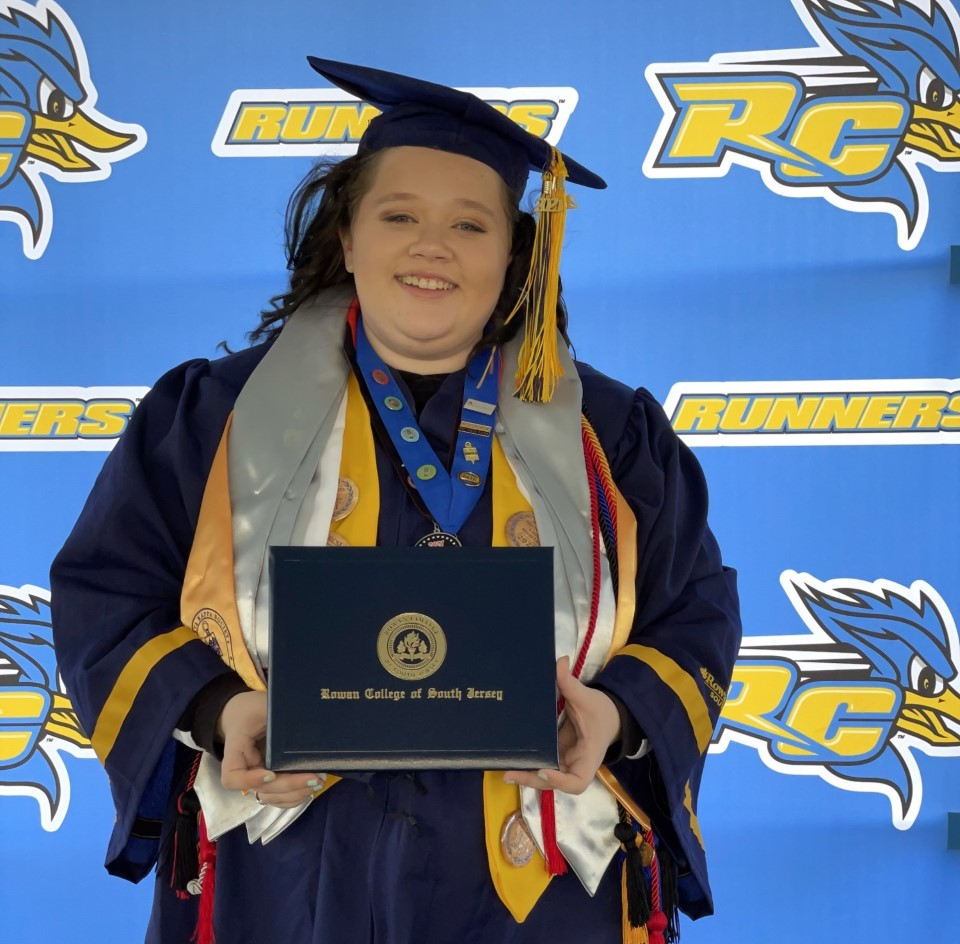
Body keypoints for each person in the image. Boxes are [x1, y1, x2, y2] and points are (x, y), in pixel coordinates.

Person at [50, 57, 741, 944]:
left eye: (470, 224)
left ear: (514, 255)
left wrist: (616, 715)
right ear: (348, 238)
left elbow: (696, 613)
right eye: (398, 215)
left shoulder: (612, 436)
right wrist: (221, 709)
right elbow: (109, 593)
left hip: (541, 886)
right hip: (287, 874)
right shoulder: (211, 418)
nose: (432, 246)